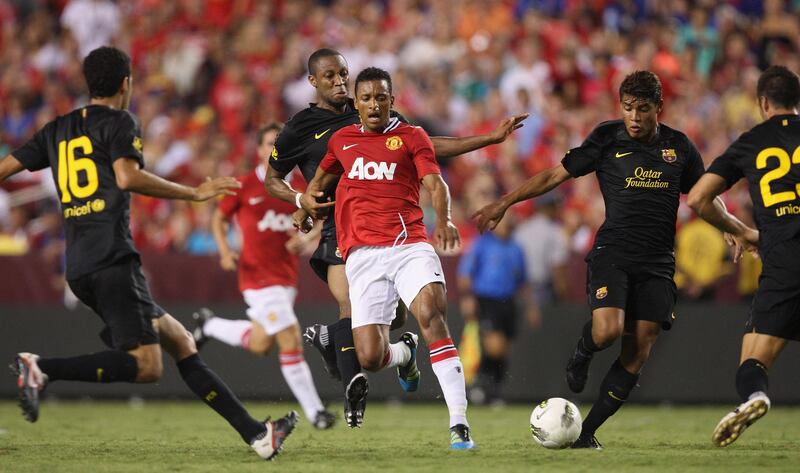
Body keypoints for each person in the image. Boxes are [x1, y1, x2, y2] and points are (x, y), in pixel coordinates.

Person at [0, 46, 296, 461]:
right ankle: (42, 367)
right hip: (112, 260)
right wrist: (193, 193)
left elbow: (5, 168)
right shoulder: (120, 121)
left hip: (80, 265)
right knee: (147, 366)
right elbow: (127, 176)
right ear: (126, 83)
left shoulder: (57, 128)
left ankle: (257, 435)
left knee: (180, 340)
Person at [473, 70, 746, 449]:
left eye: (643, 109)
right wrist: (505, 202)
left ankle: (587, 432)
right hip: (613, 253)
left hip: (658, 262)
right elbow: (554, 176)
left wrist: (729, 225)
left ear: (658, 108)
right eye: (628, 107)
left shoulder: (679, 147)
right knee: (607, 331)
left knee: (640, 349)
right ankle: (582, 352)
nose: (634, 116)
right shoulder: (605, 137)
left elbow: (704, 193)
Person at [265, 47, 527, 423]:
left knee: (398, 320)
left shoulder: (376, 111)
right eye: (330, 77)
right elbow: (273, 179)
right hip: (341, 228)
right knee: (350, 309)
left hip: (394, 229)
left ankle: (389, 352)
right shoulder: (300, 128)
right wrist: (300, 202)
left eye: (343, 73)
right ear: (312, 82)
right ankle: (352, 384)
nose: (339, 81)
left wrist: (486, 139)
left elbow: (427, 145)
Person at [299, 67, 475, 449]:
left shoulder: (412, 136)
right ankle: (405, 353)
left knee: (431, 314)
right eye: (366, 99)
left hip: (409, 245)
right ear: (356, 104)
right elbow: (319, 183)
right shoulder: (341, 140)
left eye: (381, 97)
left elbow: (435, 183)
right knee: (370, 357)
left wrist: (443, 219)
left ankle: (459, 424)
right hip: (362, 256)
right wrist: (305, 207)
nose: (374, 105)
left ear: (392, 101)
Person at [192, 122, 335, 430]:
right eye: (270, 143)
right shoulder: (243, 185)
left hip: (285, 278)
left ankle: (210, 325)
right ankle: (316, 412)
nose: (275, 149)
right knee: (289, 336)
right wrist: (225, 251)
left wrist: (306, 240)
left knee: (261, 343)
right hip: (256, 277)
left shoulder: (302, 186)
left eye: (280, 143)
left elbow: (324, 220)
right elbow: (219, 219)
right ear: (259, 150)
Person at [687, 65, 800, 447]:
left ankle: (756, 398)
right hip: (779, 245)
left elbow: (699, 197)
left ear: (763, 102)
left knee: (753, 360)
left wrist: (738, 230)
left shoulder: (752, 142)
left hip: (785, 257)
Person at [457, 214, 534, 405]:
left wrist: (532, 306)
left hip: (508, 301)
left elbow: (523, 280)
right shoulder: (482, 244)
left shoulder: (517, 248)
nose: (507, 225)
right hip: (487, 299)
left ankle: (494, 390)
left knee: (504, 349)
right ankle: (480, 385)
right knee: (494, 345)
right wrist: (467, 297)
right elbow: (466, 273)